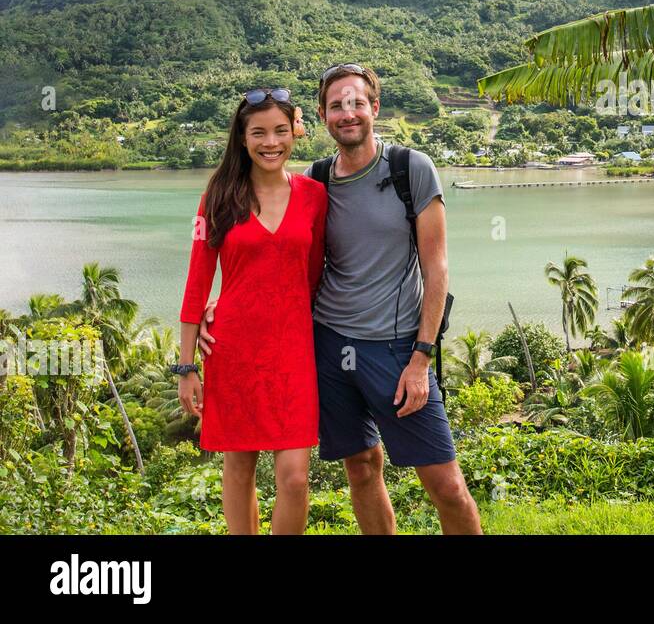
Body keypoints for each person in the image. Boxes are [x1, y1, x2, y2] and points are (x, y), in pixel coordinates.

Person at [200, 63, 482, 534]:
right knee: (362, 467)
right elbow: (282, 261)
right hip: (328, 347)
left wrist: (421, 358)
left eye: (356, 103)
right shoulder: (315, 181)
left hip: (397, 349)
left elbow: (437, 269)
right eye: (336, 105)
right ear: (322, 116)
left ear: (374, 108)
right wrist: (223, 304)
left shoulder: (410, 169)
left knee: (445, 483)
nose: (347, 113)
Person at [174, 87, 327, 535]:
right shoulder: (219, 195)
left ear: (295, 133)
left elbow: (313, 275)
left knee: (296, 478)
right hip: (233, 349)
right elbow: (196, 282)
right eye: (258, 132)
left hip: (295, 351)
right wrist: (187, 367)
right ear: (242, 139)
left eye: (280, 130)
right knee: (239, 468)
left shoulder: (315, 195)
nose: (270, 142)